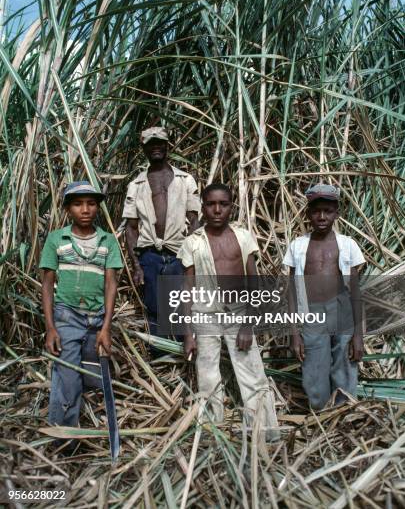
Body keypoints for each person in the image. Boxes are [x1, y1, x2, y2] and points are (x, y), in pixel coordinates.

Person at [177, 183, 279, 440]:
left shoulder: (243, 236)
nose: (217, 210)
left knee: (252, 373)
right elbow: (187, 288)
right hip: (205, 312)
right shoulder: (192, 242)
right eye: (211, 204)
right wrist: (188, 333)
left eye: (223, 204)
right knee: (208, 373)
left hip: (238, 312)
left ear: (231, 207)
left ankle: (262, 431)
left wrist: (248, 324)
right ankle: (214, 431)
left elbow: (252, 280)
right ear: (203, 207)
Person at [40, 181, 123, 428]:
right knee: (67, 377)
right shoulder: (57, 239)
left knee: (94, 375)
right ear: (67, 209)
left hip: (97, 318)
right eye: (77, 204)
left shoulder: (108, 241)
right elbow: (47, 285)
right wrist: (50, 327)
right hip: (67, 317)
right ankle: (64, 436)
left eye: (91, 204)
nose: (85, 210)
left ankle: (92, 428)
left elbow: (111, 285)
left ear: (97, 207)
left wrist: (105, 327)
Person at [283, 184, 365, 410]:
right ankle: (321, 414)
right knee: (314, 369)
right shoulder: (298, 247)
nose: (322, 216)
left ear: (336, 213)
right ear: (308, 213)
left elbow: (356, 291)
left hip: (341, 309)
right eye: (316, 211)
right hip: (312, 314)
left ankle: (344, 412)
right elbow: (291, 290)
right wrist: (294, 333)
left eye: (328, 211)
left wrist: (358, 335)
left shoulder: (348, 245)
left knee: (345, 364)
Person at [123, 127, 200, 336]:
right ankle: (160, 358)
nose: (156, 147)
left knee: (182, 305)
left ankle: (185, 356)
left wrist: (191, 259)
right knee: (155, 307)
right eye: (150, 144)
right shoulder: (136, 185)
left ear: (168, 145)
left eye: (160, 143)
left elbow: (195, 221)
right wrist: (136, 265)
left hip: (178, 253)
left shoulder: (185, 180)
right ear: (144, 148)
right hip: (149, 255)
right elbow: (130, 229)